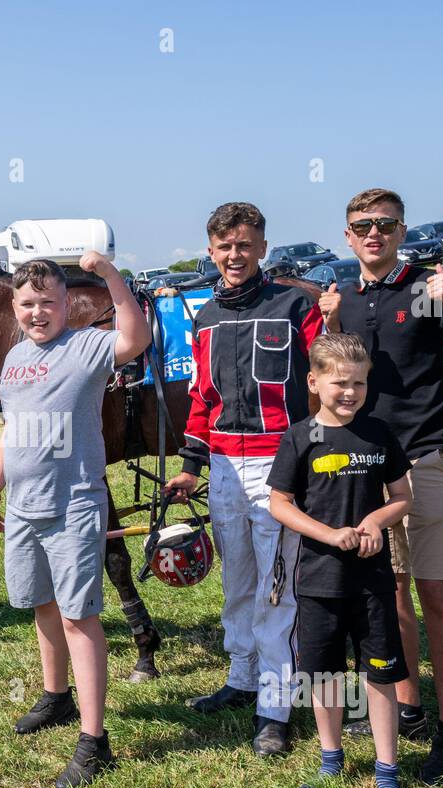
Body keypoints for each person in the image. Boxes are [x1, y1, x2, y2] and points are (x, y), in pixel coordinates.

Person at [317, 187, 443, 783]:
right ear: (348, 236)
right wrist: (327, 324)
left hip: (427, 459)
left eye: (385, 224)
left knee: (437, 597)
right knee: (390, 593)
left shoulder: (429, 289)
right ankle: (409, 707)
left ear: (402, 231)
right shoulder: (343, 295)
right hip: (369, 467)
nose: (373, 233)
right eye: (362, 225)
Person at [163, 202, 326, 757]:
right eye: (224, 246)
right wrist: (190, 466)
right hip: (227, 470)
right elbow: (202, 401)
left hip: (282, 464)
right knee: (237, 578)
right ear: (211, 251)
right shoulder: (204, 317)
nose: (235, 255)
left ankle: (276, 707)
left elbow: (325, 383)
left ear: (262, 247)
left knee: (277, 587)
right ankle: (242, 676)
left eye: (245, 244)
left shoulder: (295, 305)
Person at [0, 253, 150, 788]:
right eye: (28, 304)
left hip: (74, 503)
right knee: (43, 605)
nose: (38, 313)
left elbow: (135, 338)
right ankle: (56, 697)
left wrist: (109, 275)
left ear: (65, 304)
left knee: (79, 616)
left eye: (48, 303)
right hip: (24, 505)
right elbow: (14, 432)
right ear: (15, 307)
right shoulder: (12, 360)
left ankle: (94, 740)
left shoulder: (85, 346)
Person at [268, 333, 413, 788]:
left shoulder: (379, 435)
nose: (349, 392)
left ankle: (387, 771)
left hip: (372, 582)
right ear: (314, 382)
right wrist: (329, 535)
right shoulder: (299, 437)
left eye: (359, 383)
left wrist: (376, 521)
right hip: (319, 581)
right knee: (326, 675)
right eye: (338, 383)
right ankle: (332, 758)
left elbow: (402, 497)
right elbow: (280, 503)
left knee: (379, 675)